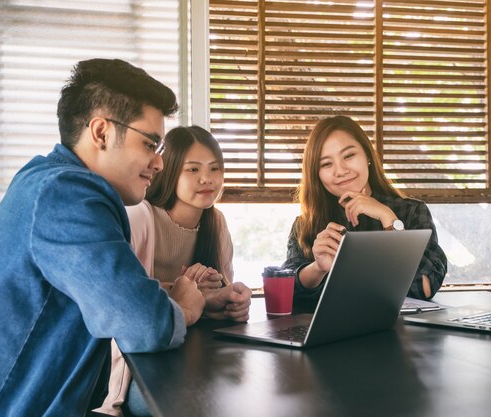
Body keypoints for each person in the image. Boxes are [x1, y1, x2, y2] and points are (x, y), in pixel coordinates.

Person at [0, 58, 206, 417]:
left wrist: (178, 296)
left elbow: (111, 295)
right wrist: (184, 309)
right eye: (150, 143)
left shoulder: (45, 180)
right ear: (101, 132)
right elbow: (145, 325)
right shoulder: (68, 194)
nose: (160, 163)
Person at [96, 125, 251, 416]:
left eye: (215, 168)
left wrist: (229, 302)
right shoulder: (140, 217)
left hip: (195, 356)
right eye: (192, 169)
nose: (207, 179)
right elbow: (126, 308)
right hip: (138, 364)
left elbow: (210, 301)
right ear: (168, 171)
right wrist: (179, 293)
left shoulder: (215, 224)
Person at [282, 115, 447, 310]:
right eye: (326, 164)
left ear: (367, 156)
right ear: (316, 175)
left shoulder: (411, 211)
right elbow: (285, 292)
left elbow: (424, 288)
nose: (340, 170)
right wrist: (318, 268)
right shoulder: (305, 224)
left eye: (349, 156)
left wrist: (389, 219)